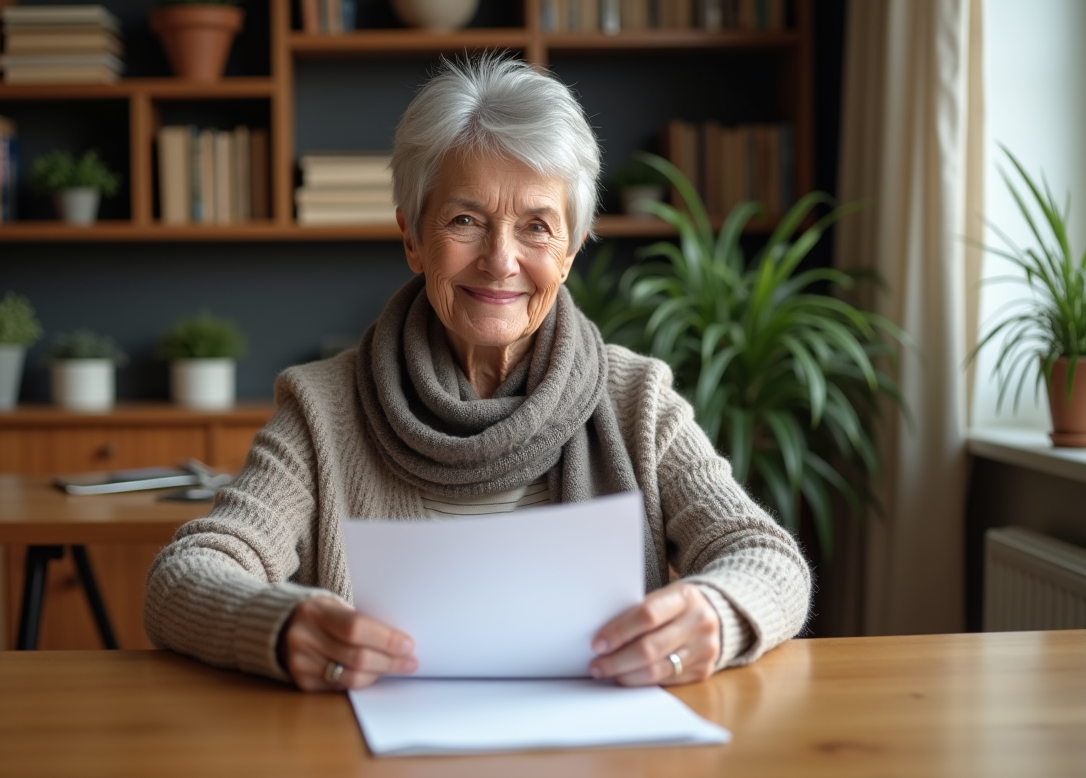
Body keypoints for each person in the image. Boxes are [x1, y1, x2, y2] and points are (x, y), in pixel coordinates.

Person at [144, 55, 811, 693]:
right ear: (413, 237)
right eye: (466, 220)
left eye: (536, 227)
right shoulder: (323, 408)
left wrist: (715, 613)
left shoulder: (638, 399)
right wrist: (281, 624)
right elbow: (183, 576)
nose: (500, 261)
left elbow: (766, 557)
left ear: (571, 251)